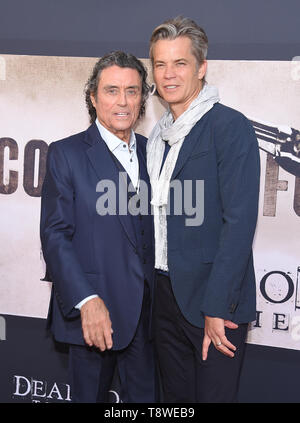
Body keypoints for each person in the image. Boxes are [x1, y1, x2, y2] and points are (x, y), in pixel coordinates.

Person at [147, 16, 260, 403]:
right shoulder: (156, 137)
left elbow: (239, 223)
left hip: (214, 302)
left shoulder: (230, 127)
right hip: (164, 296)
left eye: (180, 63)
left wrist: (217, 306)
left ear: (201, 67)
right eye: (160, 64)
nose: (169, 74)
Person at [40, 51, 156, 403]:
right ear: (93, 97)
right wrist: (86, 300)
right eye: (111, 90)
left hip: (147, 320)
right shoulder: (67, 154)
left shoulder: (157, 153)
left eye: (132, 91)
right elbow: (55, 234)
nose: (122, 101)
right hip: (93, 315)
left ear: (143, 98)